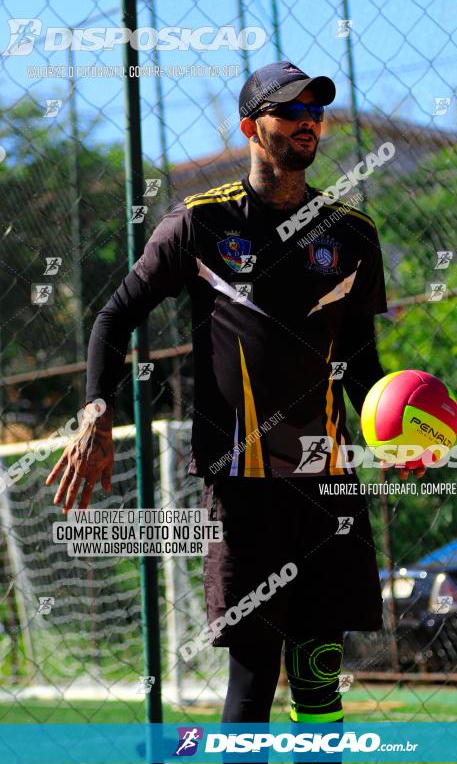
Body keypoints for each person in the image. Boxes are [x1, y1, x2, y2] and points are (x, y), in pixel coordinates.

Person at [46, 60, 394, 729]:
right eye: (289, 112)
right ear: (250, 128)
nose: (306, 122)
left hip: (327, 482)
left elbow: (358, 362)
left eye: (314, 112)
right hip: (242, 481)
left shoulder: (351, 233)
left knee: (320, 680)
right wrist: (96, 408)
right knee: (254, 676)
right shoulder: (200, 224)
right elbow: (114, 316)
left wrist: (400, 424)